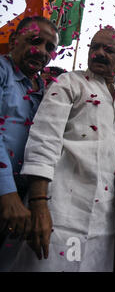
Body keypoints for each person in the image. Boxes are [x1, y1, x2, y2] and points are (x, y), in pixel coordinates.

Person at [1, 26, 115, 272]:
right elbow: (43, 141)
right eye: (95, 47)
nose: (99, 53)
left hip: (102, 219)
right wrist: (39, 205)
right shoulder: (69, 82)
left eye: (108, 49)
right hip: (58, 208)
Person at [0, 16, 58, 253]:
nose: (42, 52)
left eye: (50, 47)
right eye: (35, 41)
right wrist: (8, 193)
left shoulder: (44, 90)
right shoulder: (3, 71)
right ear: (14, 41)